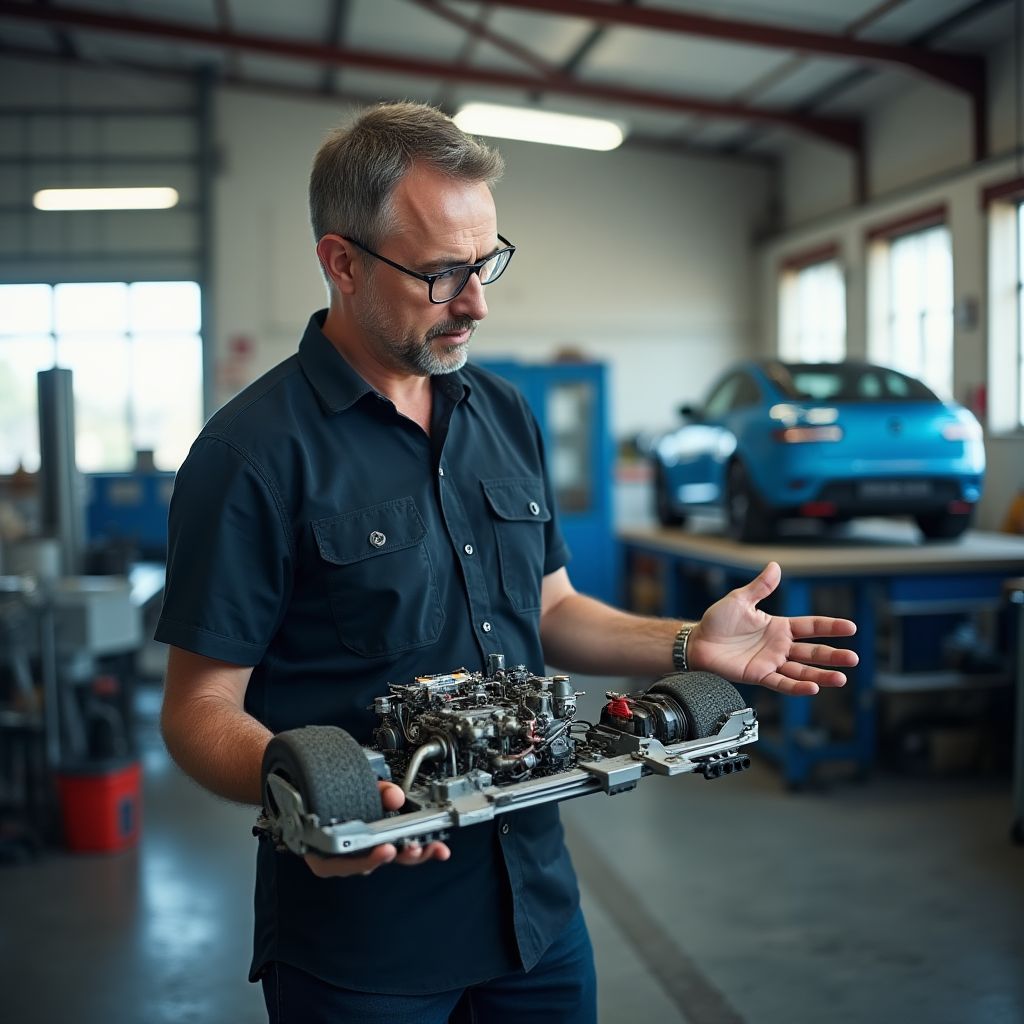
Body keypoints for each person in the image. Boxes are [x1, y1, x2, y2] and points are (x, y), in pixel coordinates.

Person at [156, 101, 859, 1024]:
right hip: (365, 943)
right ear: (342, 262)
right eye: (443, 274)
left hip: (535, 915)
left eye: (486, 263)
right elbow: (199, 708)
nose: (478, 302)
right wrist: (315, 796)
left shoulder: (503, 414)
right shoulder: (251, 455)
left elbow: (551, 606)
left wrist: (689, 643)